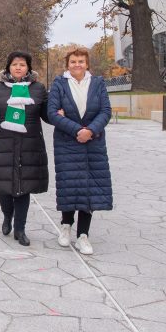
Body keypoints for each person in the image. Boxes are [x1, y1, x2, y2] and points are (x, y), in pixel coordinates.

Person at [0, 51, 50, 247]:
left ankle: (20, 228)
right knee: (3, 188)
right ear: (8, 67)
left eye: (22, 64)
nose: (18, 67)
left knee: (23, 189)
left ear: (28, 68)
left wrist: (59, 112)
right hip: (2, 144)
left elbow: (47, 115)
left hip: (29, 145)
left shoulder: (37, 89)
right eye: (14, 64)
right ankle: (7, 215)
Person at [47, 48, 113, 255]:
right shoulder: (59, 84)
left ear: (87, 64)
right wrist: (78, 130)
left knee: (89, 188)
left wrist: (91, 131)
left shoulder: (98, 83)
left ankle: (83, 235)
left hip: (93, 143)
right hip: (68, 142)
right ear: (68, 64)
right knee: (70, 185)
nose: (77, 65)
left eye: (81, 61)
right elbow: (52, 113)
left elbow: (105, 111)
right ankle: (66, 226)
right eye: (73, 61)